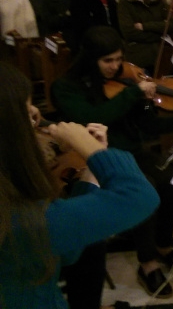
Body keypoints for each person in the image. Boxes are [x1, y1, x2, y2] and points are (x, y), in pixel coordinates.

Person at [51, 26, 173, 298]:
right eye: (107, 61)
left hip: (131, 152)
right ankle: (147, 262)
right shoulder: (66, 88)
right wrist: (134, 94)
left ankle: (163, 245)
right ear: (90, 58)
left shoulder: (126, 84)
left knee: (171, 179)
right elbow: (93, 116)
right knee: (144, 187)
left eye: (118, 59)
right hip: (95, 160)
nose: (115, 66)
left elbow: (148, 124)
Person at [0, 62, 159, 309]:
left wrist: (89, 170)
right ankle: (148, 262)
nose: (35, 115)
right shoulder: (23, 221)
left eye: (118, 58)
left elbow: (67, 250)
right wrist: (93, 149)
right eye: (25, 111)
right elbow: (138, 195)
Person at [117, 0, 173, 73]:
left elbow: (172, 25)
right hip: (139, 57)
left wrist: (145, 26)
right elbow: (129, 32)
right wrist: (159, 34)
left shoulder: (159, 0)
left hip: (161, 56)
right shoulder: (125, 3)